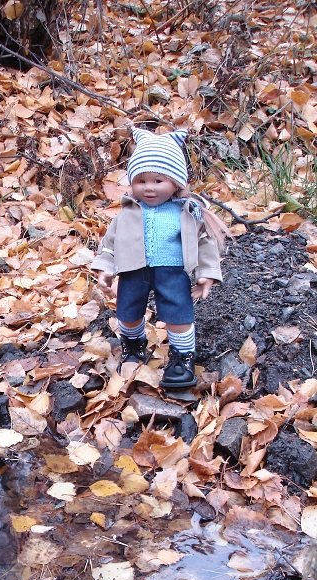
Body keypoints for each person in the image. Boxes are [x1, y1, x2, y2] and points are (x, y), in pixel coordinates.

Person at [91, 127, 229, 389]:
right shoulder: (127, 213)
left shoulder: (186, 212)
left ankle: (182, 359)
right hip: (132, 271)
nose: (149, 188)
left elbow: (204, 242)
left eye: (158, 180)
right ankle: (133, 346)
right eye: (141, 181)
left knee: (179, 315)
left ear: (176, 182)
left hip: (172, 272)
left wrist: (206, 274)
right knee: (127, 313)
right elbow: (109, 245)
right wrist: (105, 268)